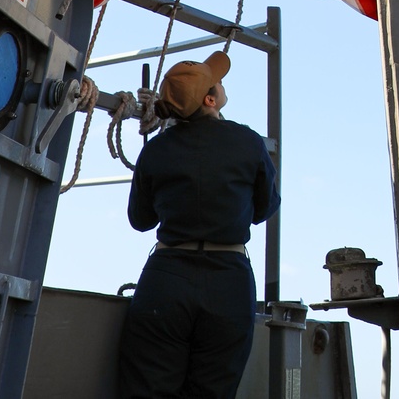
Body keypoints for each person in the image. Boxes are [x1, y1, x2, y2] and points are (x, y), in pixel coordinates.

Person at [119, 50, 280, 399]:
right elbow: (265, 208)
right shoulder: (248, 142)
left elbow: (140, 220)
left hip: (167, 278)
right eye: (218, 83)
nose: (221, 85)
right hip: (228, 280)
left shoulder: (156, 150)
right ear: (211, 99)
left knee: (147, 389)